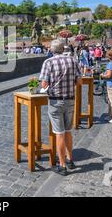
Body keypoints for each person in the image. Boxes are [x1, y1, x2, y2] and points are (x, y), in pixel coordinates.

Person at [40, 40, 82, 176]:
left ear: (52, 50)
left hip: (55, 101)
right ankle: (70, 160)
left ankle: (62, 165)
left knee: (60, 133)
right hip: (70, 100)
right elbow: (79, 82)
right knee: (68, 131)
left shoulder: (49, 62)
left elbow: (44, 83)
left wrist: (48, 86)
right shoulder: (73, 60)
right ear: (63, 49)